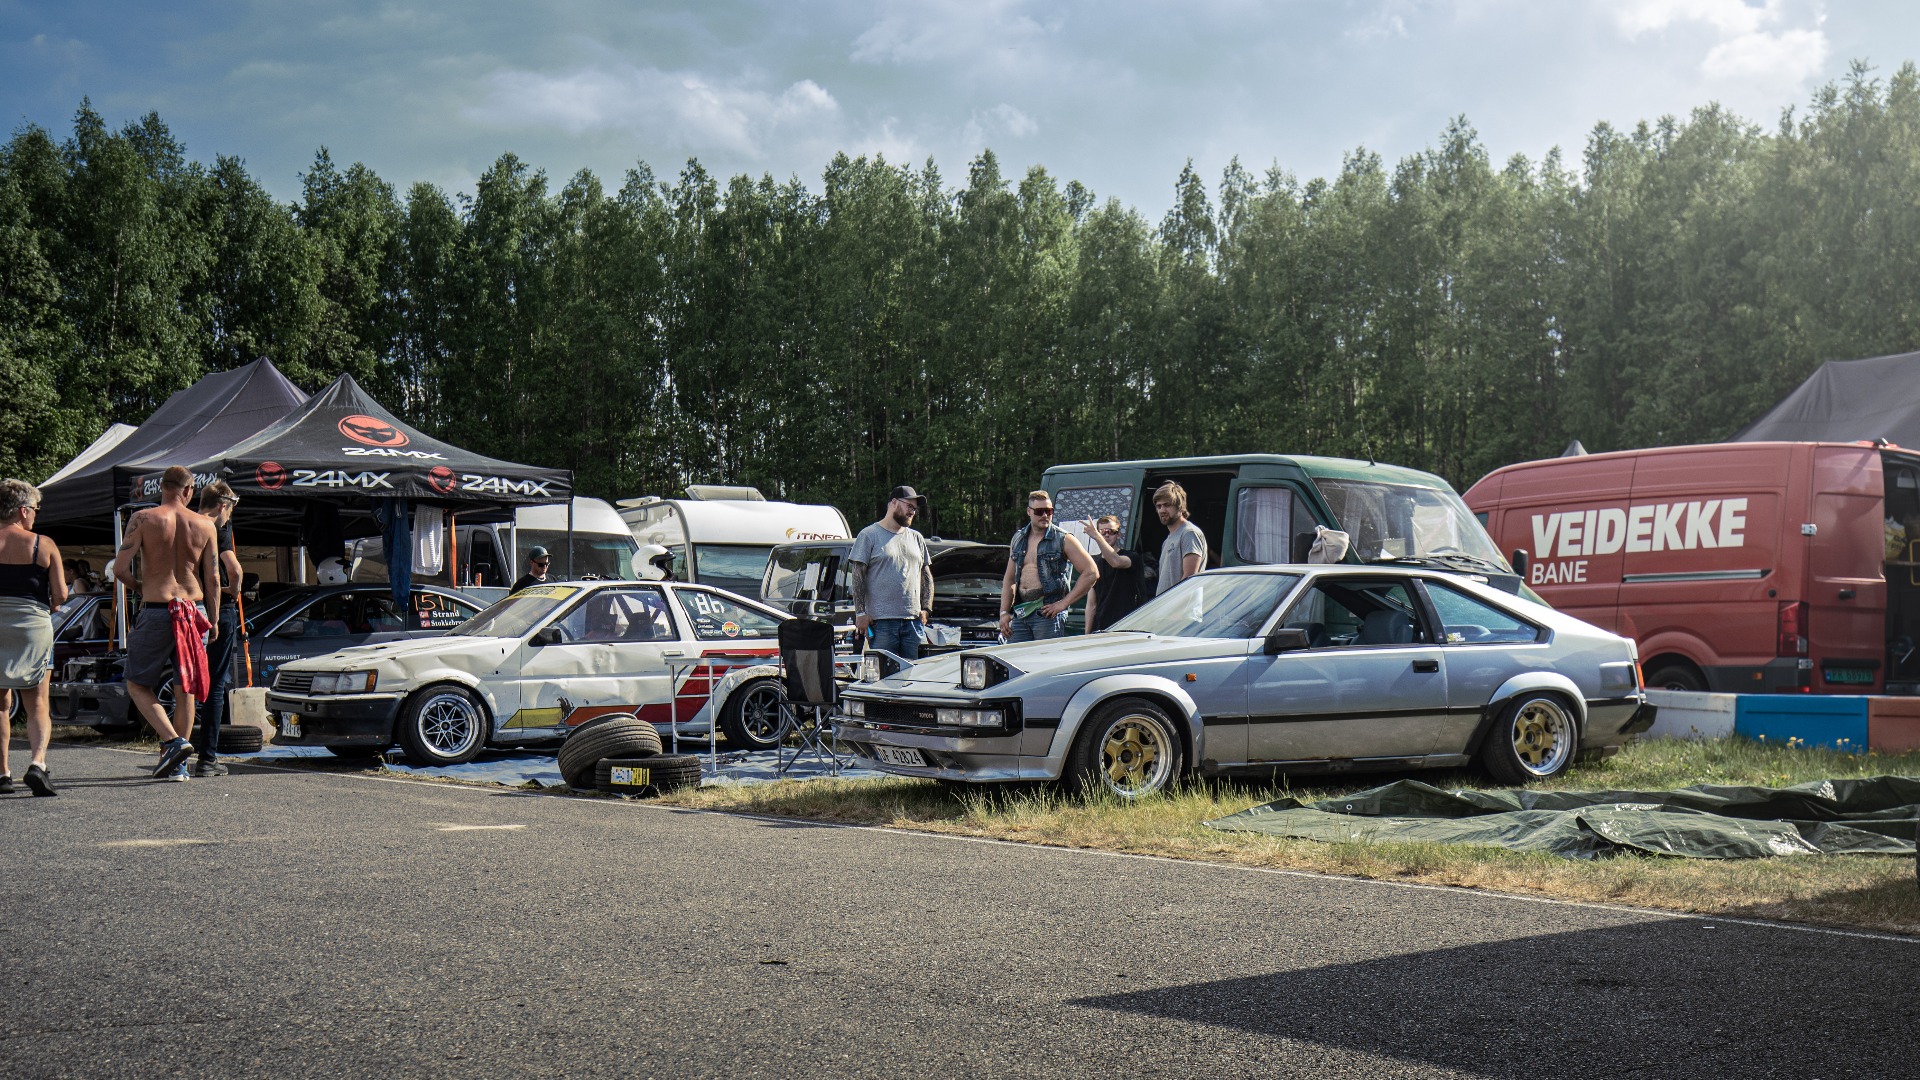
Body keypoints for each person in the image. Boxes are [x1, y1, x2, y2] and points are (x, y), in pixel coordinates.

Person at [112, 465, 220, 781]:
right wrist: (213, 620)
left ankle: (173, 743)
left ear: (162, 487)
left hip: (158, 608)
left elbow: (119, 569)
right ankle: (179, 765)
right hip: (193, 609)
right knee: (185, 688)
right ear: (188, 490)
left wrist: (140, 586)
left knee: (137, 683)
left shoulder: (143, 518)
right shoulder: (206, 524)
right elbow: (214, 578)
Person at [0, 480, 66, 796]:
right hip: (32, 625)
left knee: (0, 703)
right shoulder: (43, 544)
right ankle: (37, 764)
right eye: (36, 510)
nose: (36, 515)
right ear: (23, 510)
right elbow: (61, 594)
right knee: (37, 701)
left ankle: (2, 773)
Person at [191, 481, 244, 777]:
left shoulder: (185, 523)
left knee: (184, 682)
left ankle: (173, 750)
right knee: (214, 685)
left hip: (185, 606)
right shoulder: (217, 529)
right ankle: (207, 758)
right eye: (230, 511)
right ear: (223, 506)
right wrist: (233, 591)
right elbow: (233, 570)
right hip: (217, 609)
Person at [999, 491, 1099, 642]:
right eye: (1039, 512)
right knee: (1017, 656)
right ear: (1029, 512)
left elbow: (1091, 572)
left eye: (1049, 511)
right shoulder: (1018, 538)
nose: (1045, 515)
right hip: (1021, 613)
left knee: (1045, 656)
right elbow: (1010, 578)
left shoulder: (1063, 538)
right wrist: (1004, 612)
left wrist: (1063, 604)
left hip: (1048, 614)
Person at [848, 485, 933, 660]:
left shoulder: (916, 538)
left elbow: (927, 577)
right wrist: (860, 613)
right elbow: (857, 576)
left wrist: (926, 609)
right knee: (884, 674)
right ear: (894, 502)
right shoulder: (869, 535)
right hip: (881, 624)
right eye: (909, 506)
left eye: (915, 509)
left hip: (913, 622)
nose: (912, 512)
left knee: (917, 673)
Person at [1081, 514, 1148, 632]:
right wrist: (1087, 634)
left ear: (1118, 534)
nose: (1106, 535)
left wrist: (1097, 536)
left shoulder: (1132, 556)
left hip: (1127, 625)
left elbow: (1116, 562)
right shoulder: (1094, 563)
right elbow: (1091, 604)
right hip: (1102, 627)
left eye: (1111, 531)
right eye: (1102, 532)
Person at [1154, 480, 1207, 594]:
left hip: (1181, 604)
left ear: (1180, 506)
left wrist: (1172, 602)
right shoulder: (1168, 540)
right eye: (1159, 506)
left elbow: (1189, 577)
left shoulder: (1189, 533)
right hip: (1166, 604)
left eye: (1167, 505)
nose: (1162, 510)